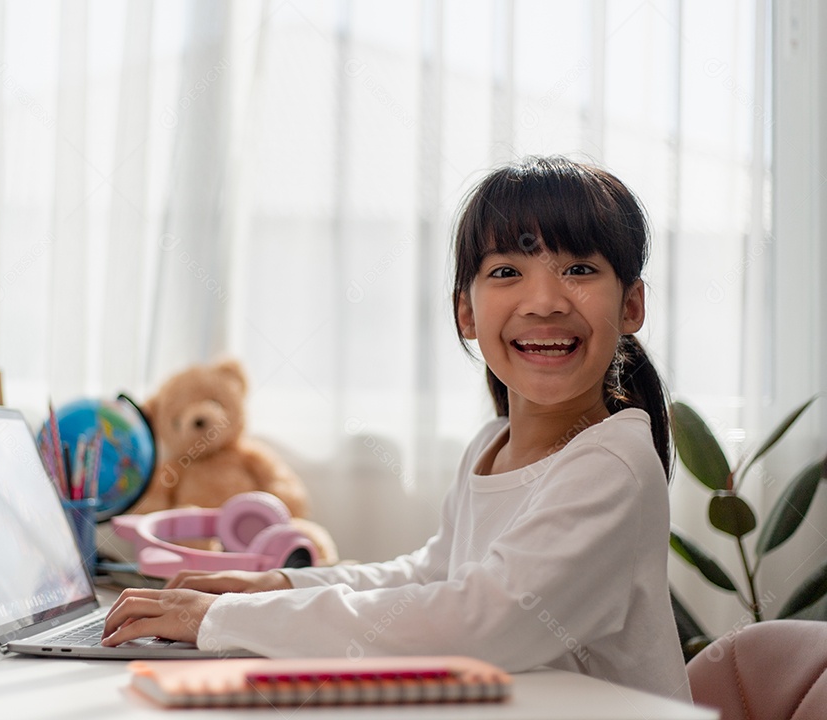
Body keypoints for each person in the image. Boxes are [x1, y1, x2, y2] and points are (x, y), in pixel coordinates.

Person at [101, 156, 691, 701]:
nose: (543, 301)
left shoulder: (609, 464)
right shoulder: (492, 446)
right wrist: (275, 587)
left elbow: (481, 620)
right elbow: (429, 575)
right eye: (508, 270)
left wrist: (220, 620)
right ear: (465, 312)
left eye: (579, 269)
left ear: (631, 306)